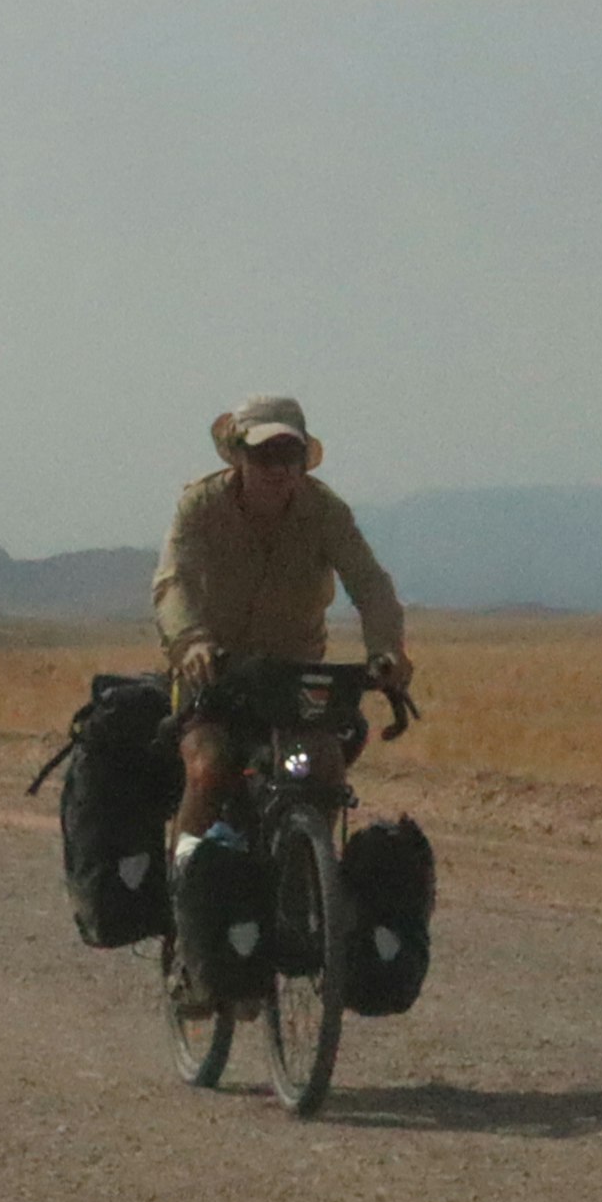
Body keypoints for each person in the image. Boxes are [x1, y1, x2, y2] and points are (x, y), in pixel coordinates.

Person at [152, 394, 413, 982]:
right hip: (212, 672)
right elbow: (172, 581)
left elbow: (370, 583)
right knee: (210, 767)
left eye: (290, 454)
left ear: (303, 461)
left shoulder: (326, 513)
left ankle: (302, 897)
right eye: (265, 453)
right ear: (238, 455)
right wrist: (191, 642)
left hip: (294, 678)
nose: (278, 468)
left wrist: (387, 652)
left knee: (319, 769)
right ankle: (187, 920)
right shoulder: (199, 506)